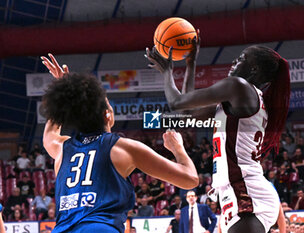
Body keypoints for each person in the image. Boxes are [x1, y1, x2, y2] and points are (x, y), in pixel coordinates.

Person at [146, 31, 290, 233]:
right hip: (239, 192)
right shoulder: (238, 101)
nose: (234, 61)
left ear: (254, 69)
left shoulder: (238, 87)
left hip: (246, 193)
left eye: (241, 59)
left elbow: (176, 103)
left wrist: (167, 72)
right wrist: (190, 63)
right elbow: (187, 111)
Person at [41, 54, 198, 233]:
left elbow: (49, 134)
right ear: (107, 115)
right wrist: (178, 148)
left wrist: (66, 95)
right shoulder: (122, 147)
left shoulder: (62, 150)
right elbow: (190, 179)